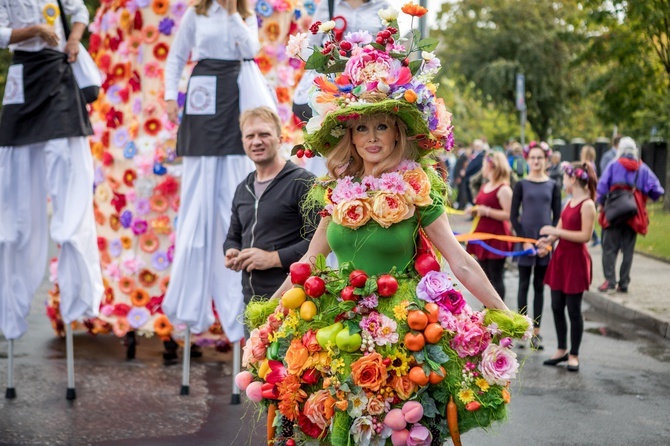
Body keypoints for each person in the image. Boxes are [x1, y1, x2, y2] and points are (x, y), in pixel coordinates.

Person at [239, 10, 530, 444]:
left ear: (397, 134)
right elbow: (310, 260)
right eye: (361, 128)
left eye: (381, 126)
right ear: (350, 137)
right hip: (335, 320)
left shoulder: (419, 188)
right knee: (336, 425)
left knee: (400, 431)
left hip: (405, 326)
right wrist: (269, 313)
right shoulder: (336, 191)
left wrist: (504, 315)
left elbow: (459, 261)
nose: (371, 137)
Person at [161, 0, 260, 360]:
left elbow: (251, 50)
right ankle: (192, 306)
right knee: (198, 204)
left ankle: (238, 315)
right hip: (202, 97)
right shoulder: (196, 13)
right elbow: (176, 57)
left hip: (234, 95)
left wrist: (234, 13)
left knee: (231, 203)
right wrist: (171, 96)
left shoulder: (245, 14)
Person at [0, 0, 104, 341]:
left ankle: (79, 294)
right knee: (15, 201)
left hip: (58, 75)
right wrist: (30, 32)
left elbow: (79, 13)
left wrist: (74, 39)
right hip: (22, 74)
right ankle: (12, 308)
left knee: (69, 183)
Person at [224, 107, 317, 305]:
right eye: (250, 136)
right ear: (243, 142)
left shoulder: (303, 182)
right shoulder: (243, 188)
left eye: (264, 134)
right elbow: (233, 236)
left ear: (280, 139)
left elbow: (321, 239)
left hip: (294, 298)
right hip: (251, 301)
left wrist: (274, 258)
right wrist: (232, 250)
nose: (257, 141)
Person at [539, 162, 597, 372]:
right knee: (556, 305)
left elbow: (585, 236)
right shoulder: (569, 202)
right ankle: (562, 349)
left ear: (573, 179)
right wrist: (547, 240)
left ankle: (574, 354)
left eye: (564, 177)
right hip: (561, 258)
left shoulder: (588, 205)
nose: (562, 181)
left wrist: (556, 233)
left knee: (573, 310)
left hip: (576, 261)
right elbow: (560, 230)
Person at [596, 137, 664, 294]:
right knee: (628, 249)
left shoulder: (614, 164)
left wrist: (601, 203)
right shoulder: (642, 168)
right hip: (633, 213)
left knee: (609, 248)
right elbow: (657, 189)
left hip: (614, 212)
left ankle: (610, 280)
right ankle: (624, 282)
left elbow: (602, 187)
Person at [510, 142, 562, 350]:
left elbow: (557, 217)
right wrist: (523, 239)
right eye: (533, 157)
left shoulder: (553, 185)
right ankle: (524, 329)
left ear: (546, 160)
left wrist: (549, 240)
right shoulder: (521, 185)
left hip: (544, 244)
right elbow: (514, 216)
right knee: (523, 284)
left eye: (540, 157)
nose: (536, 161)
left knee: (539, 287)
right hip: (526, 241)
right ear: (527, 159)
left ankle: (537, 332)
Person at [465, 151, 513, 300]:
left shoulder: (504, 189)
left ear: (493, 166)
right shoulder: (485, 185)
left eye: (485, 164)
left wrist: (486, 211)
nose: (483, 168)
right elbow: (480, 205)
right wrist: (475, 211)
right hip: (482, 236)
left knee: (495, 277)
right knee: (484, 278)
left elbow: (507, 215)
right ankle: (487, 310)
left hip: (496, 237)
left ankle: (499, 313)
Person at [580, 144, 600, 246]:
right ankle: (594, 237)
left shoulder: (586, 165)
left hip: (586, 194)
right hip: (592, 193)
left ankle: (594, 237)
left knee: (584, 218)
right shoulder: (593, 164)